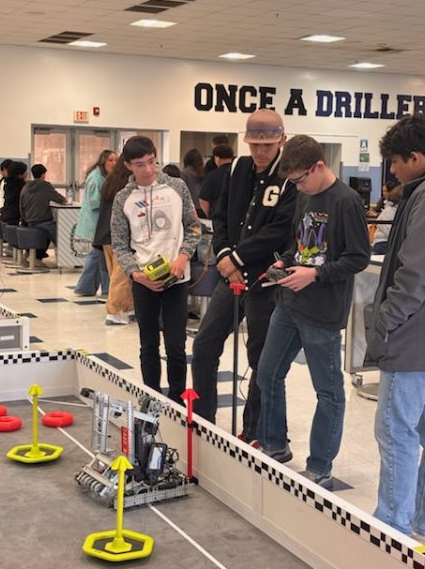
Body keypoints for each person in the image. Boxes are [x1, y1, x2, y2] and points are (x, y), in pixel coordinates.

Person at [256, 134, 370, 488]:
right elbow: (299, 244)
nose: (299, 187)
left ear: (319, 166)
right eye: (293, 182)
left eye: (301, 179)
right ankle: (275, 444)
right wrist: (285, 264)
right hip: (289, 304)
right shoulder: (304, 196)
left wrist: (315, 274)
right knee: (267, 372)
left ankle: (320, 464)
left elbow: (357, 258)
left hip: (322, 310)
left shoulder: (346, 202)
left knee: (328, 390)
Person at [191, 109, 297, 442]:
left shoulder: (290, 176)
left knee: (260, 358)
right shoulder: (236, 168)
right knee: (205, 346)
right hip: (229, 274)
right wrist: (225, 255)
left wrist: (238, 257)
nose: (261, 152)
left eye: (267, 145)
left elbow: (282, 229)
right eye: (254, 145)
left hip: (265, 280)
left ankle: (255, 429)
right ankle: (203, 418)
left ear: (282, 139)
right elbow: (221, 217)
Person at [365, 114, 425, 547]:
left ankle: (390, 529)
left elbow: (416, 275)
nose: (391, 170)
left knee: (396, 433)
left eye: (394, 161)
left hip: (414, 339)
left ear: (415, 157)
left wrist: (384, 321)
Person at [111, 136, 201, 402]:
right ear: (128, 166)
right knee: (148, 343)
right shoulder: (122, 199)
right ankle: (150, 397)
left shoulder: (177, 187)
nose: (148, 170)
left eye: (152, 162)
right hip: (143, 281)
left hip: (177, 278)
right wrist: (136, 274)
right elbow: (119, 244)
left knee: (176, 344)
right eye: (140, 165)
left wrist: (183, 257)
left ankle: (176, 400)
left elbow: (194, 228)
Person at [93, 155, 134, 325]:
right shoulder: (127, 187)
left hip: (105, 235)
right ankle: (112, 312)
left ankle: (130, 308)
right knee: (121, 276)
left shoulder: (109, 182)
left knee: (117, 275)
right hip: (119, 237)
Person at [74, 149, 117, 297]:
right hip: (94, 222)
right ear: (103, 161)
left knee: (98, 256)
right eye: (110, 160)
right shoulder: (96, 178)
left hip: (99, 223)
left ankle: (87, 287)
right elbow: (94, 202)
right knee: (98, 255)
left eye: (116, 160)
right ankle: (98, 288)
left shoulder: (105, 177)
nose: (114, 163)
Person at [19, 163, 67, 266]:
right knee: (60, 236)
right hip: (43, 221)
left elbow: (21, 207)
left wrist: (27, 219)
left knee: (45, 234)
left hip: (29, 221)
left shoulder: (26, 187)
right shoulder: (45, 185)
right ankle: (67, 260)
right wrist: (65, 200)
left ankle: (31, 255)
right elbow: (60, 199)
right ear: (43, 174)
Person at [198, 144, 234, 218]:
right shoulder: (239, 173)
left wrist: (210, 214)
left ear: (217, 158)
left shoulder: (212, 175)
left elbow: (203, 199)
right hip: (236, 216)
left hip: (218, 216)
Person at [371, 184, 403, 255]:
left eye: (385, 191)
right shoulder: (389, 211)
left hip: (387, 243)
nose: (384, 193)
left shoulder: (395, 210)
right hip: (383, 243)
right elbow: (390, 233)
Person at [181, 148, 205, 217]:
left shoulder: (185, 173)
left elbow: (183, 191)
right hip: (202, 206)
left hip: (191, 207)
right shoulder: (204, 172)